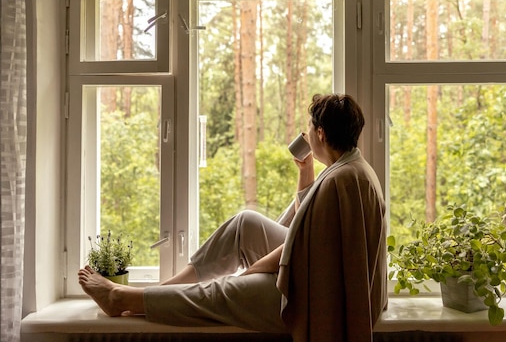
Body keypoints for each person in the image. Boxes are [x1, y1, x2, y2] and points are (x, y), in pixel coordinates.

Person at [79, 93, 387, 342]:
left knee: (219, 293)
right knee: (245, 223)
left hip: (308, 293)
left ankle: (120, 298)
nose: (307, 135)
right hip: (314, 272)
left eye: (310, 129)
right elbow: (309, 227)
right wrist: (306, 171)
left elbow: (300, 244)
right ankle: (159, 292)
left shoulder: (341, 180)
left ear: (320, 133)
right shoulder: (347, 168)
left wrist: (253, 271)